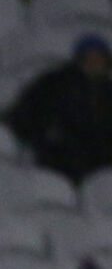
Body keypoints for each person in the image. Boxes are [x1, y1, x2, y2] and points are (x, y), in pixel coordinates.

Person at [8, 34, 112, 184]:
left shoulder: (108, 93)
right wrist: (45, 137)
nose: (94, 64)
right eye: (89, 58)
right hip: (58, 163)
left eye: (99, 59)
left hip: (100, 169)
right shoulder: (54, 85)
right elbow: (24, 116)